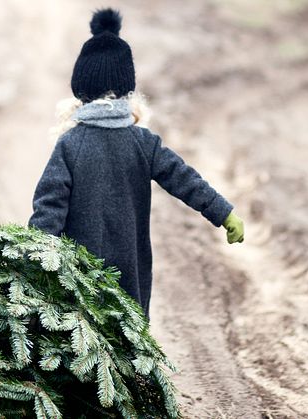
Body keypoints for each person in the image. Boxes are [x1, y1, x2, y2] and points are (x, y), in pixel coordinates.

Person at [28, 8, 245, 318]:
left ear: (80, 90)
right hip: (131, 272)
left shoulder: (70, 144)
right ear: (127, 90)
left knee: (81, 341)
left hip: (78, 275)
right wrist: (224, 214)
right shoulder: (143, 143)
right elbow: (185, 180)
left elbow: (49, 207)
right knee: (130, 343)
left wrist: (36, 257)